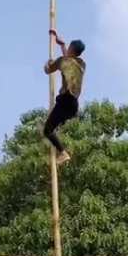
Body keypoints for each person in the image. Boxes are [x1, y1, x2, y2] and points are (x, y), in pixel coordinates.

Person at [43, 29, 86, 166]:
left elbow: (48, 70)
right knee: (52, 128)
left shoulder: (63, 61)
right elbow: (68, 62)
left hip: (65, 101)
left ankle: (63, 153)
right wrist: (62, 46)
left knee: (47, 130)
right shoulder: (81, 65)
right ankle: (61, 150)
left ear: (71, 49)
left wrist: (48, 63)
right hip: (73, 106)